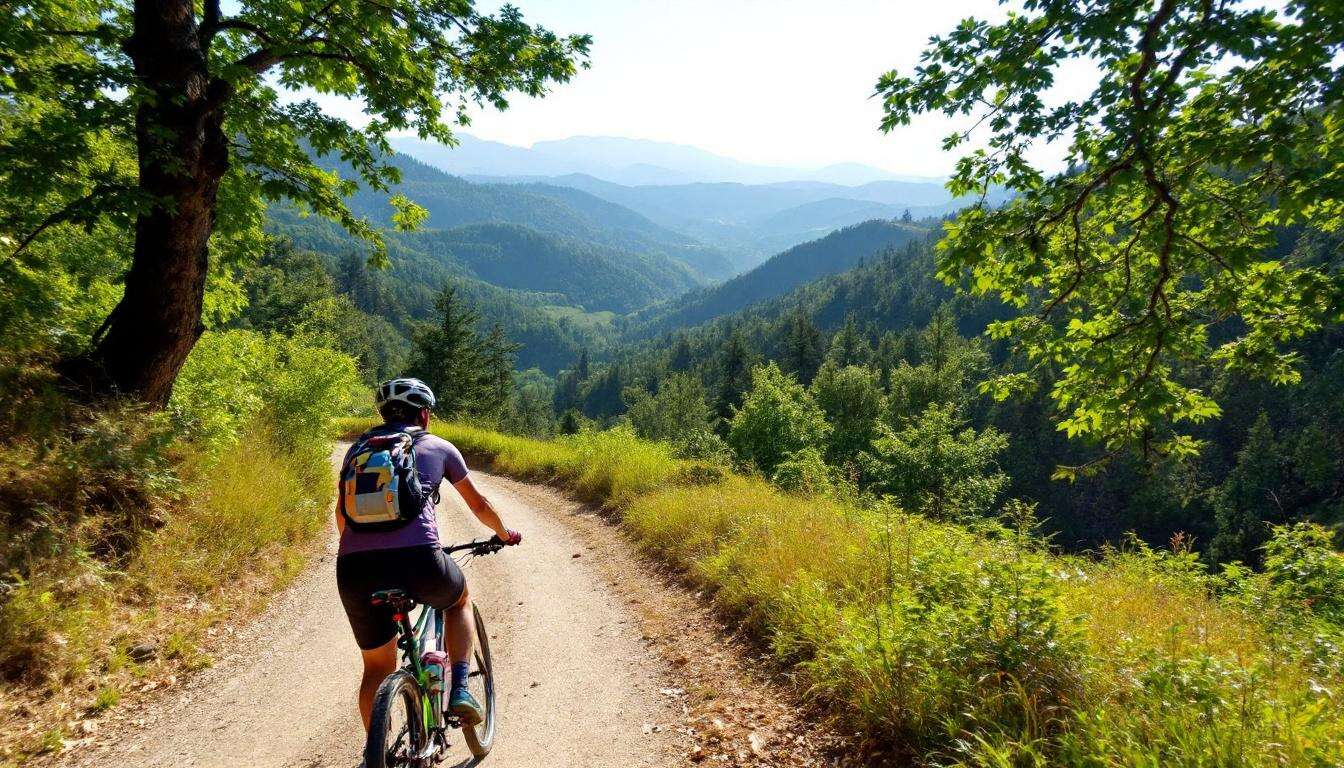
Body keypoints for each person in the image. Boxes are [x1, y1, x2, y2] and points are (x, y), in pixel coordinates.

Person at [335, 377, 520, 731]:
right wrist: (504, 533)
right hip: (419, 560)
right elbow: (478, 505)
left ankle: (377, 753)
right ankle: (461, 690)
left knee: (376, 667)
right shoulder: (439, 447)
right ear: (424, 415)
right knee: (458, 601)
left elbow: (342, 515)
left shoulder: (356, 452)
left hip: (354, 569)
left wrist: (361, 551)